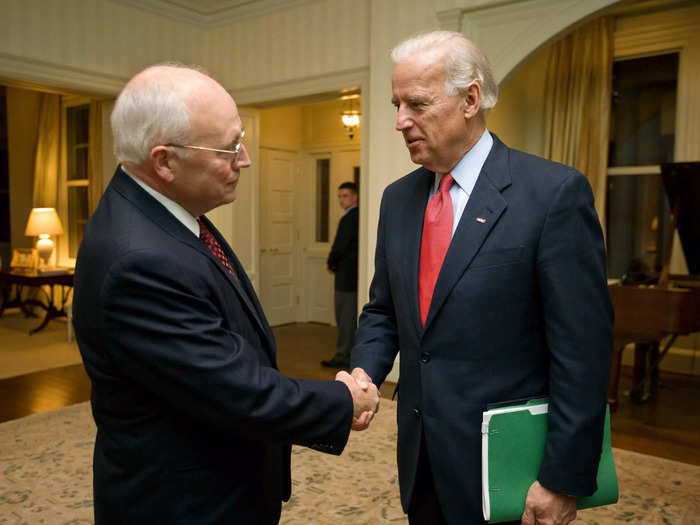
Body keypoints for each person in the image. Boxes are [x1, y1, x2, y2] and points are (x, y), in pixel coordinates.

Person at [72, 64, 378, 524]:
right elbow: (237, 391)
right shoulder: (138, 260)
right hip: (185, 503)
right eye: (228, 147)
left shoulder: (163, 212)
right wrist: (344, 401)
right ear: (164, 161)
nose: (245, 160)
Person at [350, 31, 613, 524]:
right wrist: (364, 370)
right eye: (396, 104)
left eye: (417, 103)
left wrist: (563, 477)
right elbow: (384, 309)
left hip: (508, 464)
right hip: (421, 454)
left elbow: (583, 351)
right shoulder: (397, 198)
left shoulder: (553, 193)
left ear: (471, 98)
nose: (399, 121)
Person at [321, 181, 359, 369]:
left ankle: (343, 355)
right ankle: (346, 353)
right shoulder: (357, 217)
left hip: (346, 276)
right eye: (339, 196)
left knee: (345, 317)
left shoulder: (349, 218)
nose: (341, 200)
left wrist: (331, 262)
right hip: (352, 275)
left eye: (345, 196)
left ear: (355, 196)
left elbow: (340, 246)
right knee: (349, 317)